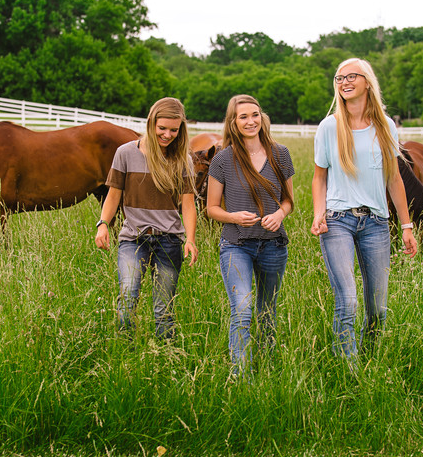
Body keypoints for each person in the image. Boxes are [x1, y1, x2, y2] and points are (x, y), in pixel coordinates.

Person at [311, 58, 417, 369]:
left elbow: (394, 179)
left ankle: (372, 362)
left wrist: (407, 225)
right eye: (339, 77)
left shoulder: (386, 125)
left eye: (351, 76)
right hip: (337, 221)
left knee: (378, 308)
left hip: (376, 223)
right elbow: (319, 177)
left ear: (367, 81)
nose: (344, 82)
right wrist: (319, 213)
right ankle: (349, 370)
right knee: (348, 301)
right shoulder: (329, 127)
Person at [95, 97, 198, 338]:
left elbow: (189, 204)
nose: (167, 135)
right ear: (151, 123)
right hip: (133, 238)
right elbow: (113, 196)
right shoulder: (126, 153)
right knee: (128, 296)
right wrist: (103, 225)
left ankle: (165, 354)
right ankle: (126, 349)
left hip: (170, 240)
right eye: (162, 128)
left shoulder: (183, 160)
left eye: (174, 130)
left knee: (164, 307)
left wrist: (191, 239)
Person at [207, 95, 295, 376]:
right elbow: (211, 208)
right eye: (243, 116)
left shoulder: (280, 154)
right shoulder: (222, 159)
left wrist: (280, 214)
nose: (250, 121)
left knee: (267, 311)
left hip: (273, 246)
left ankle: (267, 367)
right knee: (242, 309)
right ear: (233, 122)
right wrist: (233, 217)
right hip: (236, 245)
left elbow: (289, 201)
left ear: (262, 117)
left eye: (255, 115)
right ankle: (240, 375)